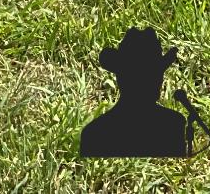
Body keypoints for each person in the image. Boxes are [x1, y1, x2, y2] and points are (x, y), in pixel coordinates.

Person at [79, 29, 191, 158]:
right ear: (122, 78)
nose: (155, 82)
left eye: (156, 74)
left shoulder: (95, 132)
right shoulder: (171, 124)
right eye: (144, 76)